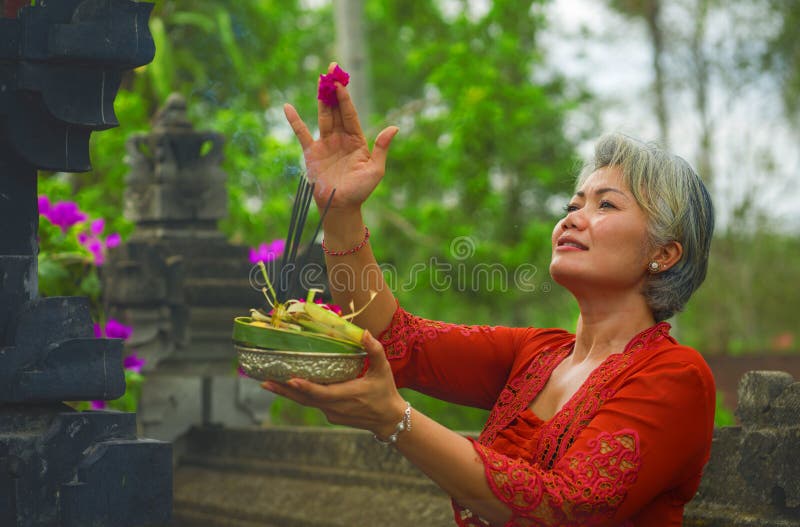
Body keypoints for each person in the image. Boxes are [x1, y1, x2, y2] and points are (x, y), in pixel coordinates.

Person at [262, 62, 716, 527]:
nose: (573, 218)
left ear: (664, 252)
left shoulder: (677, 376)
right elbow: (395, 340)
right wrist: (341, 211)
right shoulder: (537, 354)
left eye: (606, 204)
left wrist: (395, 419)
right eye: (573, 204)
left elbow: (562, 508)